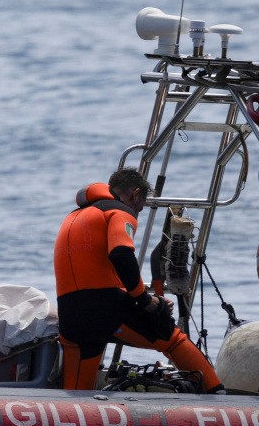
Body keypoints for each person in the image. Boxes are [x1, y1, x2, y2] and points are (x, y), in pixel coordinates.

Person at [53, 168, 224, 392]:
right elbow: (121, 254)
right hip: (103, 309)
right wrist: (145, 300)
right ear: (134, 195)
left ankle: (70, 422)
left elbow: (94, 274)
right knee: (171, 338)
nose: (138, 212)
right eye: (140, 206)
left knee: (76, 393)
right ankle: (218, 394)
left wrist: (138, 294)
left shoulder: (74, 216)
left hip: (70, 315)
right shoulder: (120, 211)